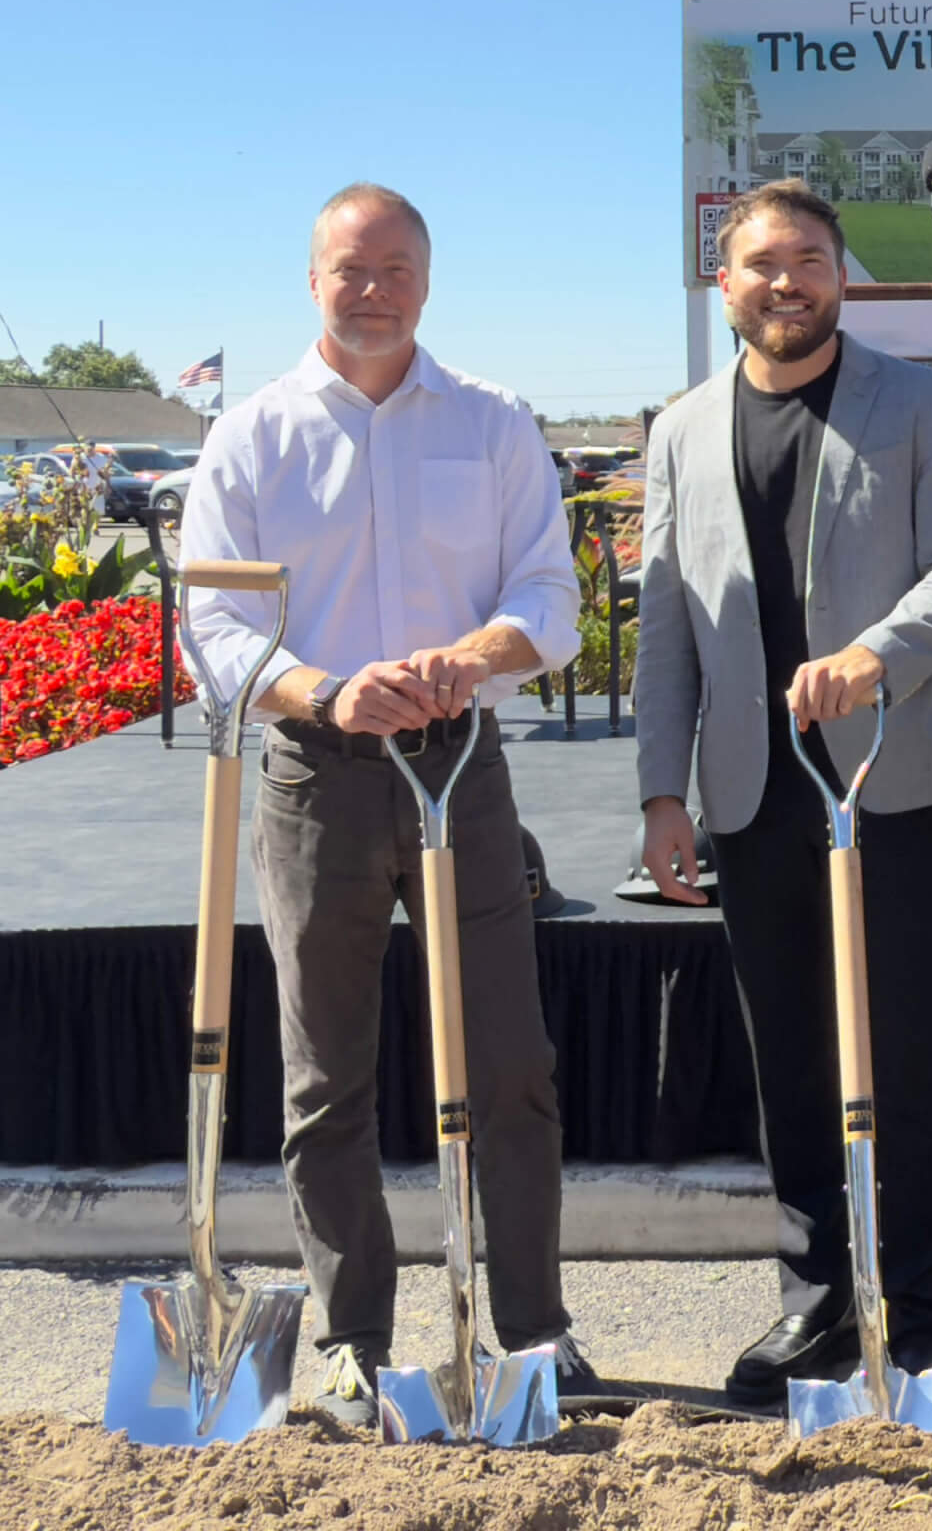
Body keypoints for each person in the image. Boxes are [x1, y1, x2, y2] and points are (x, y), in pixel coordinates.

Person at [180, 183, 597, 1426]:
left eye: (397, 266)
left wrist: (468, 656)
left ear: (428, 278)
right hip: (316, 773)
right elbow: (212, 618)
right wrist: (319, 687)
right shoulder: (250, 436)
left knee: (508, 1060)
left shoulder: (491, 422)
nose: (375, 288)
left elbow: (550, 596)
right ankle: (356, 1335)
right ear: (312, 279)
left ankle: (530, 1327)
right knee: (327, 1073)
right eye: (351, 268)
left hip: (460, 766)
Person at [635, 179, 932, 1402]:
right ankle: (815, 1298)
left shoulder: (919, 402)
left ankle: (918, 1301)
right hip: (748, 789)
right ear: (720, 283)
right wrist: (660, 788)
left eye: (807, 258)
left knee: (900, 1048)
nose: (784, 280)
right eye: (759, 261)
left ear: (842, 275)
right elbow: (666, 626)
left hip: (882, 774)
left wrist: (874, 655)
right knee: (788, 1047)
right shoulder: (681, 427)